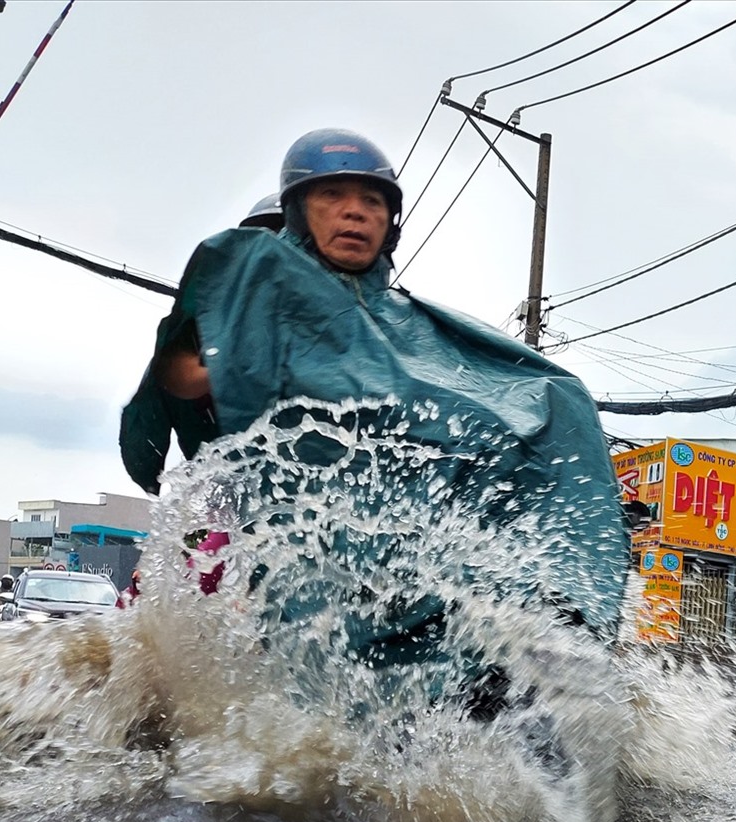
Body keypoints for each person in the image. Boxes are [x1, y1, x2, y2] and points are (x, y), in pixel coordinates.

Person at [119, 127, 624, 688]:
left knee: (564, 402)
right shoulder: (248, 311)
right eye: (332, 197)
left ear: (390, 223)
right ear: (296, 217)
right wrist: (247, 343)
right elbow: (181, 379)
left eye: (371, 201)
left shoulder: (409, 329)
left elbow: (500, 402)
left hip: (416, 555)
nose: (354, 214)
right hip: (298, 553)